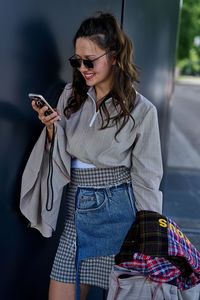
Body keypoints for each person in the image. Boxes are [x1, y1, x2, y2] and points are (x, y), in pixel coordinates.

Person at [20, 12, 163, 300]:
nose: (83, 68)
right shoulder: (70, 95)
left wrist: (151, 237)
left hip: (121, 214)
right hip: (78, 208)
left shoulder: (142, 110)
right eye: (77, 60)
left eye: (90, 60)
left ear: (113, 56)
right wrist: (51, 129)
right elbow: (60, 154)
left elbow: (147, 178)